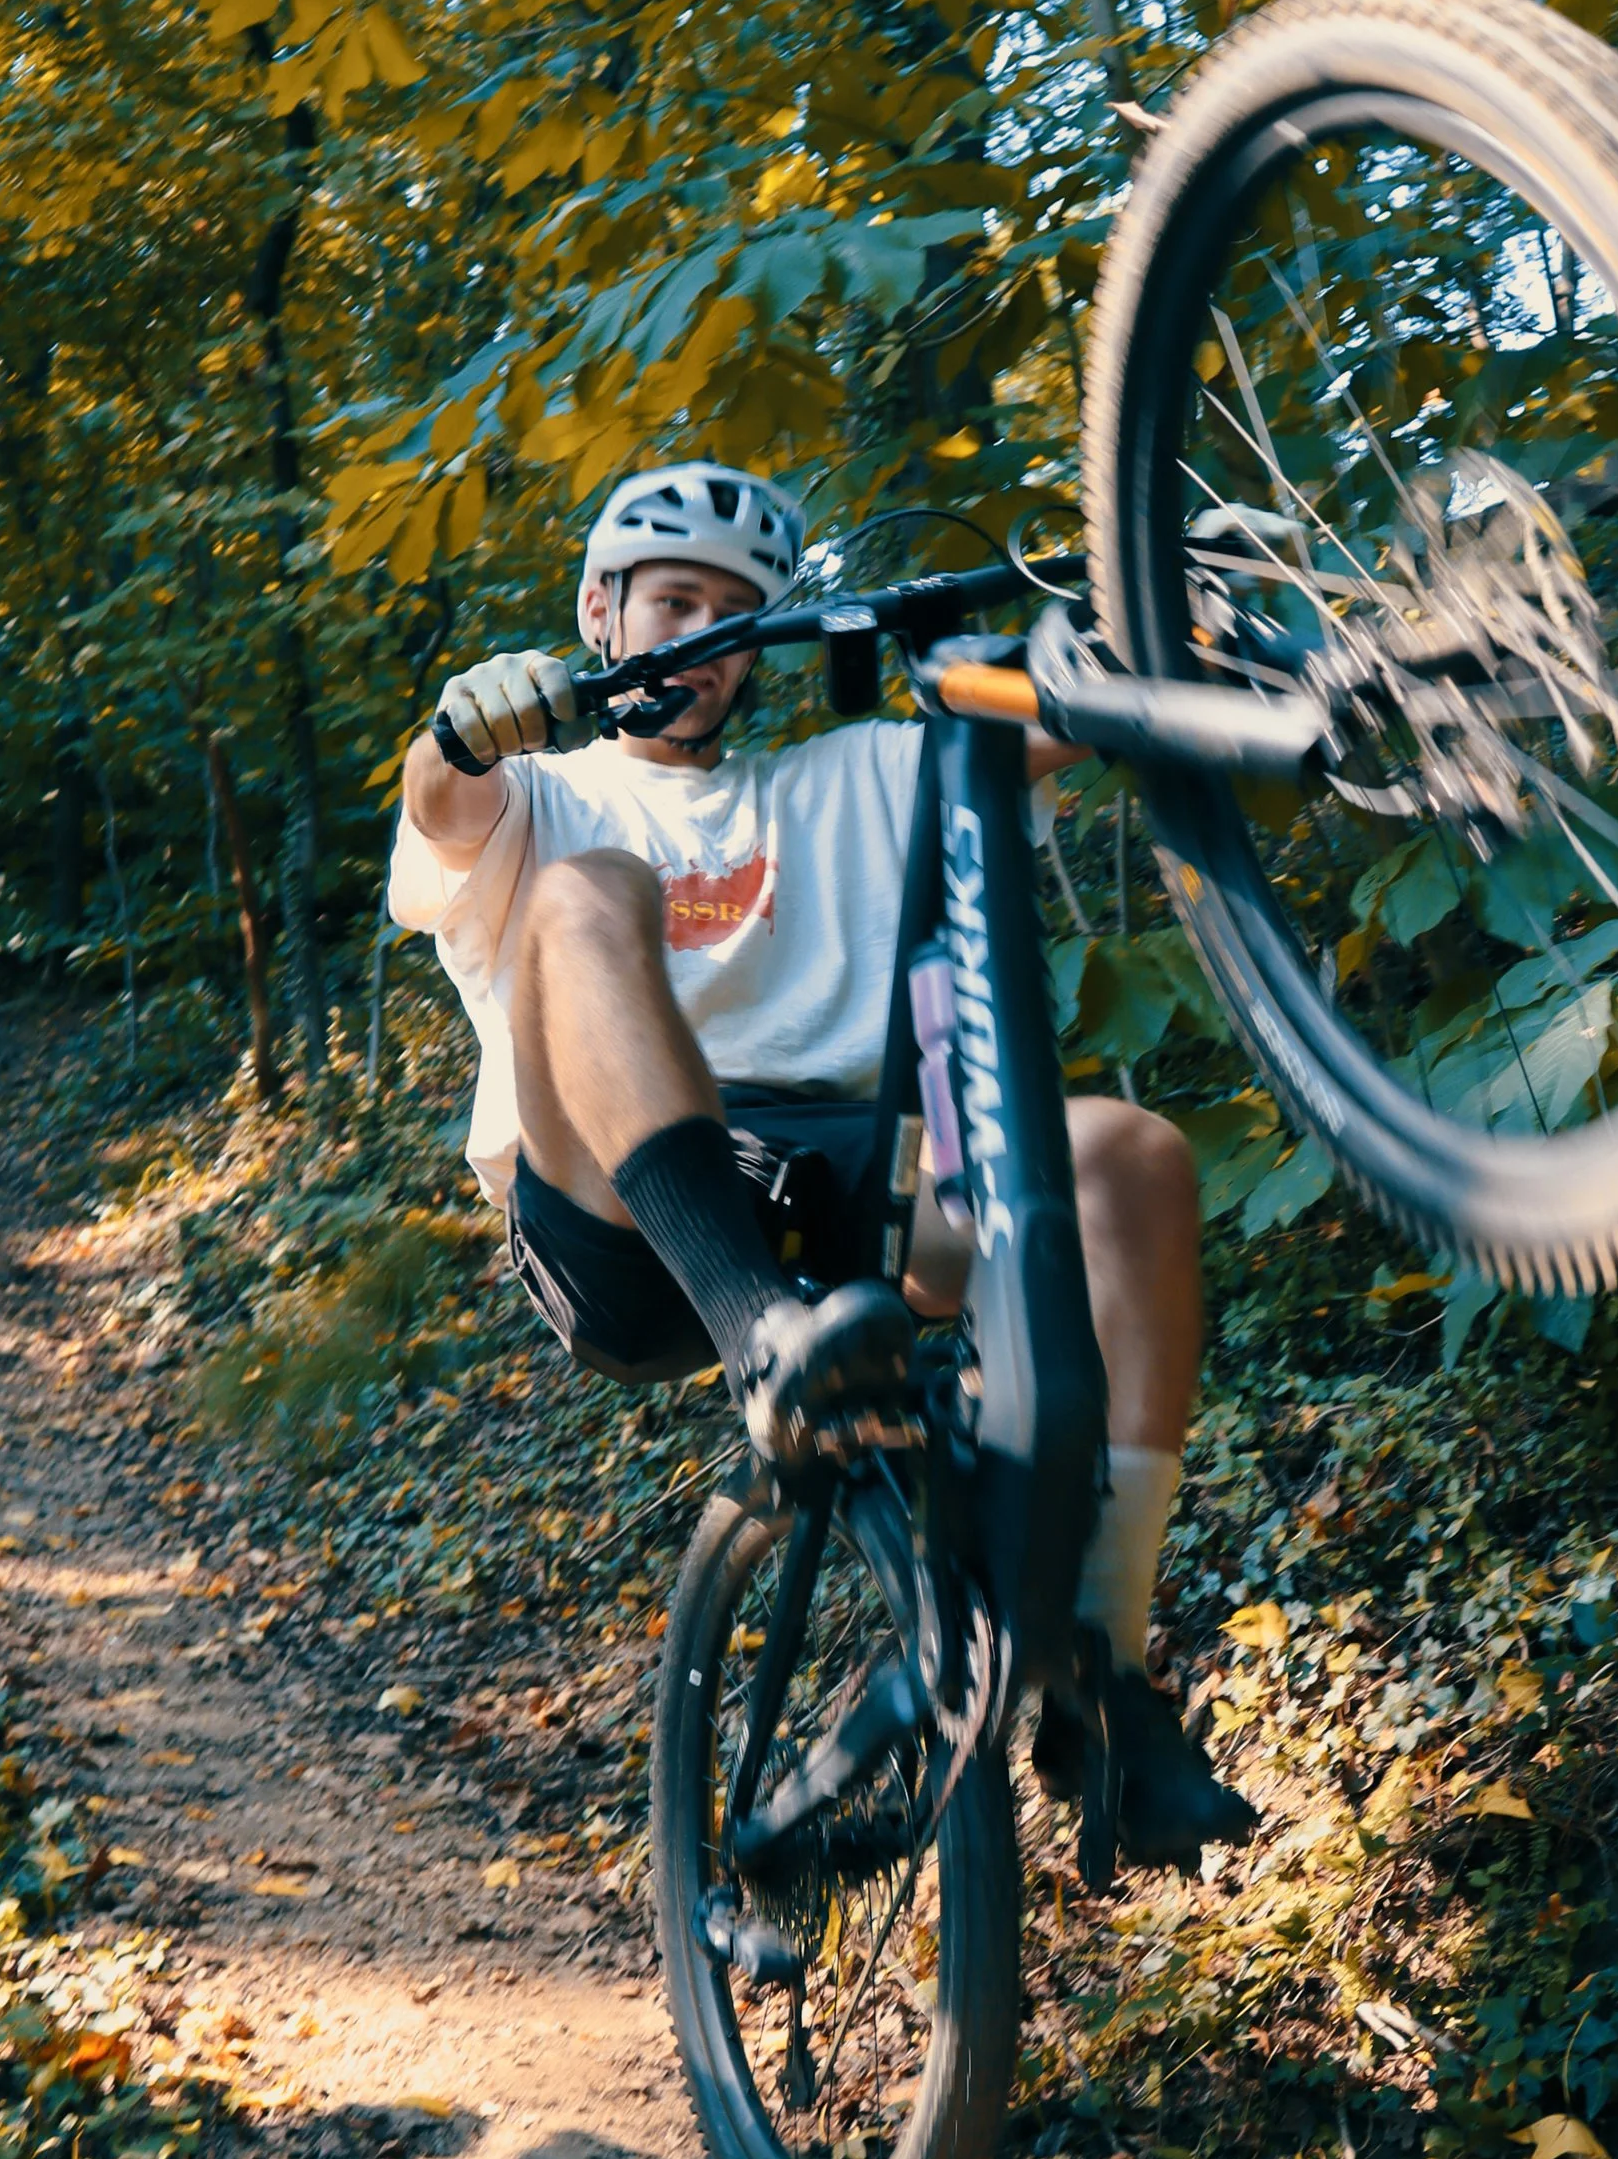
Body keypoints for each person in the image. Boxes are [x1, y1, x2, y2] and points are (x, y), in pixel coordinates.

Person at [389, 459, 1251, 1872]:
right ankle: (763, 1338)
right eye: (672, 601)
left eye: (734, 618)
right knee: (587, 892)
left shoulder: (844, 778)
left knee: (1132, 1162)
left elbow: (1046, 715)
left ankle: (1106, 1677)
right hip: (630, 1223)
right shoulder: (541, 790)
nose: (703, 641)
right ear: (602, 611)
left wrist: (1176, 599)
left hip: (853, 1198)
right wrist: (468, 726)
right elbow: (442, 802)